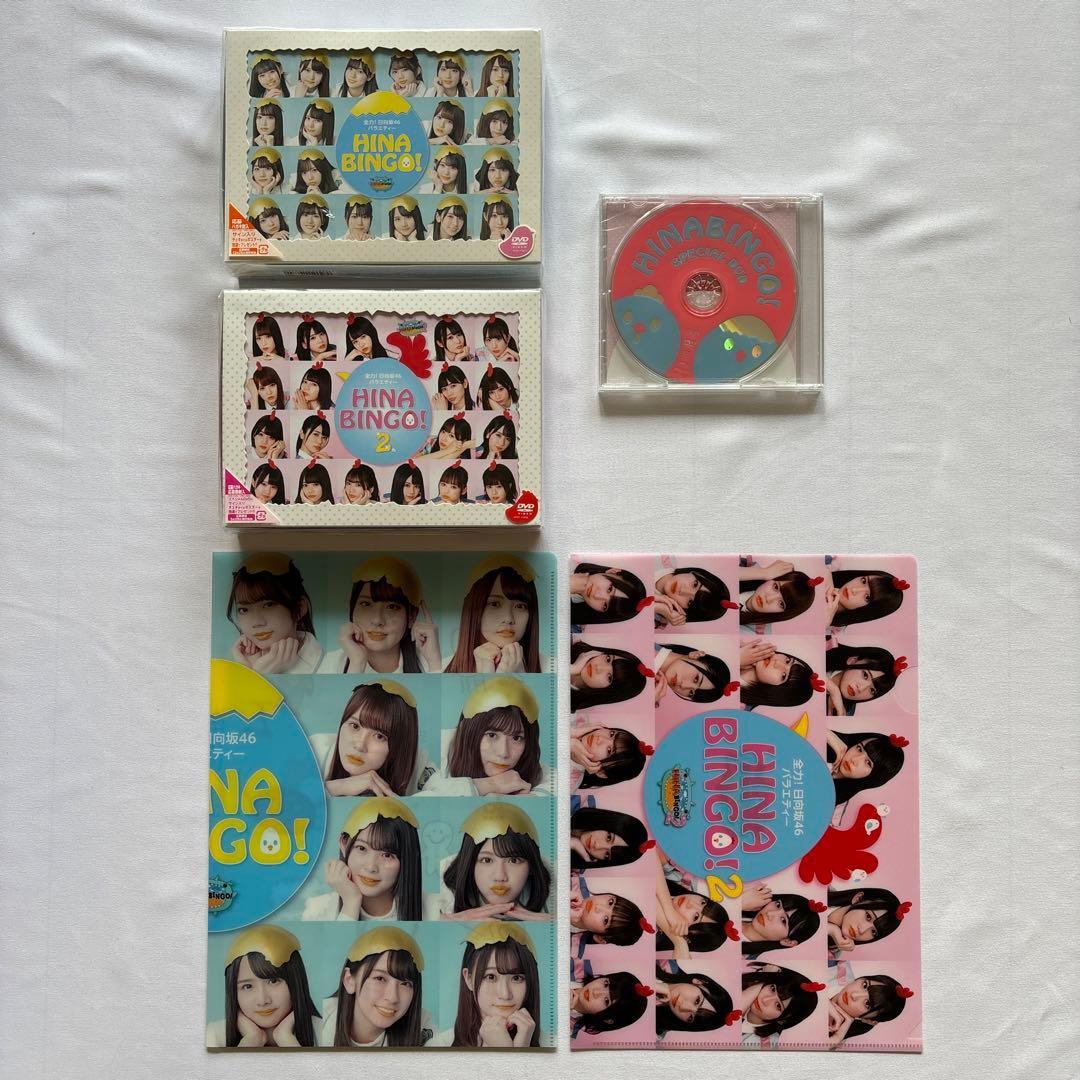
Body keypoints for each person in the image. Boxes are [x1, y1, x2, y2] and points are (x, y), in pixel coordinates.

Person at [420, 676, 549, 796]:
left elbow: (556, 782)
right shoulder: (443, 747)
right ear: (471, 733)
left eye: (516, 738)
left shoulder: (530, 765)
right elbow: (427, 793)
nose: (503, 753)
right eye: (492, 735)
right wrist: (491, 785)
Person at [319, 556, 441, 675]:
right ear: (353, 608)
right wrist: (357, 664)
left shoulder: (431, 665)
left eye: (392, 607)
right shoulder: (330, 665)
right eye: (366, 604)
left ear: (411, 616)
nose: (377, 620)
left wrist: (434, 664)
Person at [302, 799, 421, 919]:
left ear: (407, 856)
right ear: (344, 844)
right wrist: (351, 902)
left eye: (387, 855)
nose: (371, 867)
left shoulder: (431, 909)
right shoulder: (318, 910)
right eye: (362, 848)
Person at [428, 923, 543, 1047]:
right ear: (469, 979)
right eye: (491, 977)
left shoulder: (553, 1044)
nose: (505, 994)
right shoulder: (438, 1045)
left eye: (516, 978)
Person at [207, 926, 319, 1047]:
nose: (263, 1000)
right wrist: (251, 1040)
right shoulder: (213, 1037)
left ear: (295, 981)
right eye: (248, 986)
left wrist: (286, 1039)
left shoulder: (325, 1031)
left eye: (273, 981)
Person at [438, 802, 551, 920]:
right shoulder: (436, 881)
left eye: (513, 860)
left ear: (531, 865)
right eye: (487, 860)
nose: (500, 877)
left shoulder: (559, 881)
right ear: (470, 863)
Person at [322, 927, 430, 1046]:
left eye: (405, 984)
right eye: (380, 978)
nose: (393, 998)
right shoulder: (322, 1021)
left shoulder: (422, 1025)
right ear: (349, 981)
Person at [225, 553, 322, 674]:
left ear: (300, 608)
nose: (257, 622)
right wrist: (247, 670)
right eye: (244, 610)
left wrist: (260, 676)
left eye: (268, 605)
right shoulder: (237, 663)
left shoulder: (336, 664)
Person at [444, 555, 541, 673]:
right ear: (474, 608)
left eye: (520, 606)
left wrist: (519, 676)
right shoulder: (441, 670)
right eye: (494, 604)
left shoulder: (554, 668)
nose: (508, 618)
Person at [321, 682, 420, 796]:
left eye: (379, 736)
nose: (360, 746)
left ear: (398, 746)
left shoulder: (419, 767)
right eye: (355, 726)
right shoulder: (316, 750)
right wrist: (337, 787)